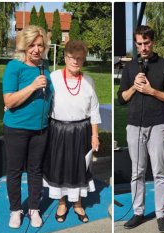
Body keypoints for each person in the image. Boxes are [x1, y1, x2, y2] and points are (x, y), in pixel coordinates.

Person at [117, 25, 164, 233]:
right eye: (139, 44)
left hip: (158, 124)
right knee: (137, 172)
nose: (143, 47)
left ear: (153, 42)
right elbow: (121, 99)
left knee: (160, 172)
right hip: (134, 125)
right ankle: (138, 212)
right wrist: (135, 87)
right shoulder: (129, 68)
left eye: (146, 43)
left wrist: (151, 91)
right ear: (135, 44)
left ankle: (161, 215)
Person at [43, 40, 101, 223]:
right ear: (65, 57)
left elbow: (94, 110)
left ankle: (77, 203)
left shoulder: (89, 81)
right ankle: (61, 203)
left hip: (81, 131)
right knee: (59, 167)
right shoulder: (53, 77)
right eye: (72, 57)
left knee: (79, 168)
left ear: (84, 60)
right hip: (58, 130)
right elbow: (41, 103)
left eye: (80, 58)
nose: (75, 61)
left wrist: (95, 135)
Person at [2, 25, 53, 228]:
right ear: (25, 45)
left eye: (40, 45)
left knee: (35, 170)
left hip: (40, 128)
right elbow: (9, 100)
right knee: (14, 171)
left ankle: (34, 208)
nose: (36, 49)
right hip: (17, 128)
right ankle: (16, 210)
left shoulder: (45, 66)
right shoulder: (14, 67)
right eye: (32, 45)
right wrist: (32, 86)